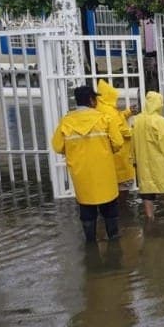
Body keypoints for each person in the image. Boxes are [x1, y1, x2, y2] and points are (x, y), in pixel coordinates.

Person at [51, 85, 124, 242]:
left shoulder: (66, 123)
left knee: (87, 209)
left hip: (81, 176)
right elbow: (118, 143)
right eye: (95, 98)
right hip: (105, 175)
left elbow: (57, 147)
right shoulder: (105, 119)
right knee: (110, 209)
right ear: (91, 100)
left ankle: (90, 244)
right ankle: (114, 241)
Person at [132, 91, 164, 219]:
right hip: (161, 163)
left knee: (147, 192)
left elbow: (132, 143)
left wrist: (133, 160)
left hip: (143, 162)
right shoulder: (160, 122)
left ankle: (150, 218)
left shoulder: (137, 120)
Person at [96, 80, 138, 205]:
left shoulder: (100, 108)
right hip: (119, 155)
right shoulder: (109, 111)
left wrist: (127, 112)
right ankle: (121, 211)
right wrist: (133, 131)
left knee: (110, 185)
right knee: (123, 186)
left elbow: (117, 119)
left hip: (106, 155)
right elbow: (120, 129)